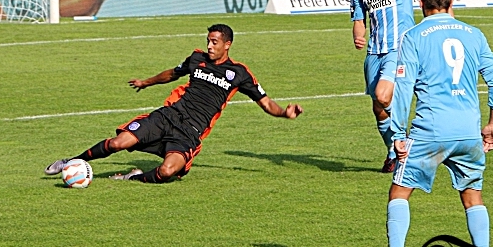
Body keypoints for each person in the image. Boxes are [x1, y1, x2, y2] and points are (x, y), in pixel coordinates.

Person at [371, 0, 493, 247]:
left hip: (431, 131)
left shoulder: (414, 36)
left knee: (399, 192)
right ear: (452, 2)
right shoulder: (474, 34)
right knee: (473, 197)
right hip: (468, 132)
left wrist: (397, 134)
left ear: (421, 4)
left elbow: (403, 88)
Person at [44, 24, 303, 184]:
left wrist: (284, 113)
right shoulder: (196, 59)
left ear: (227, 45)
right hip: (168, 116)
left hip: (190, 132)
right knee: (118, 143)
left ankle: (132, 177)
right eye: (208, 41)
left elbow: (266, 102)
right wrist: (146, 82)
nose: (209, 46)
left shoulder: (239, 73)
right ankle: (71, 162)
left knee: (168, 171)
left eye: (215, 42)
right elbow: (172, 73)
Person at [349, 0, 426, 174]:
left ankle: (405, 141)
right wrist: (358, 36)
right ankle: (393, 151)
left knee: (384, 96)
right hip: (374, 52)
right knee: (378, 107)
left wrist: (431, 18)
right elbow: (358, 19)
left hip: (400, 48)